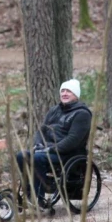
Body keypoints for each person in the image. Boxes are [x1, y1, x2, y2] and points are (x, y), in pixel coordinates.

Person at [15, 79, 93, 207]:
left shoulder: (82, 114)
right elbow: (42, 130)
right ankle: (29, 194)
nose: (65, 93)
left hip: (68, 154)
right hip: (48, 150)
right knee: (21, 155)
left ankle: (38, 199)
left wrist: (51, 149)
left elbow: (73, 140)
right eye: (63, 90)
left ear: (76, 95)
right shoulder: (54, 110)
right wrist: (38, 144)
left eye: (69, 91)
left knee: (37, 158)